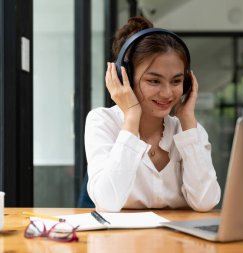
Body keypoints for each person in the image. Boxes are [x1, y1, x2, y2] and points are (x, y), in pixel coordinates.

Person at [84, 16, 221, 212]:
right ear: (127, 78)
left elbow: (206, 202)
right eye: (154, 81)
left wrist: (188, 121)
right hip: (120, 241)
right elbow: (108, 202)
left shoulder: (189, 130)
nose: (167, 93)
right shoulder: (102, 121)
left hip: (178, 240)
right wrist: (131, 116)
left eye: (176, 81)